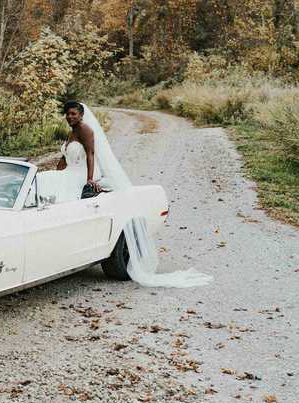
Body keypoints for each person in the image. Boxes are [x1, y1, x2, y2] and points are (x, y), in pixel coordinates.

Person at [76, 102, 212, 288]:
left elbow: (91, 154)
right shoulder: (73, 131)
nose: (69, 117)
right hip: (70, 175)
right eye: (67, 114)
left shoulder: (86, 130)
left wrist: (90, 179)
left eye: (73, 113)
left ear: (81, 115)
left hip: (81, 175)